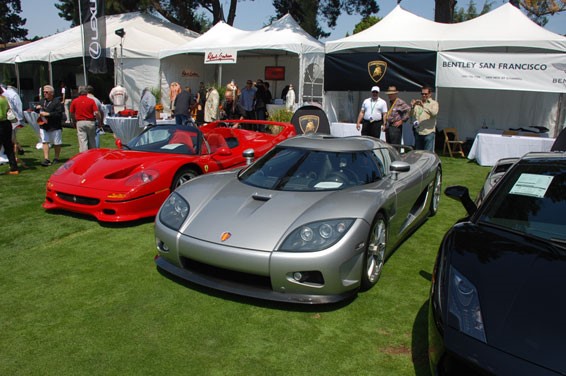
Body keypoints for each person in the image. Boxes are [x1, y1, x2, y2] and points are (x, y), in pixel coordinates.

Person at [36, 85, 64, 166]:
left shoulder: (57, 102)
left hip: (55, 125)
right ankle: (46, 158)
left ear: (52, 93)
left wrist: (48, 114)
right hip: (44, 125)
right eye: (44, 92)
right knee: (45, 141)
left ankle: (56, 157)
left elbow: (59, 114)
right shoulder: (42, 101)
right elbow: (38, 109)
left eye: (46, 92)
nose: (45, 93)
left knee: (57, 142)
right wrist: (37, 108)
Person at [70, 86, 101, 152]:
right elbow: (96, 112)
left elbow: (72, 113)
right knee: (92, 140)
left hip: (80, 121)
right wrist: (99, 121)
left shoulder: (75, 101)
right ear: (86, 92)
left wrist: (74, 121)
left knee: (82, 141)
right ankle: (93, 154)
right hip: (90, 121)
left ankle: (84, 155)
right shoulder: (91, 101)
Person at [411, 86, 439, 152]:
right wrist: (412, 106)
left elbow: (434, 113)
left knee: (427, 154)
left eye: (425, 94)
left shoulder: (434, 103)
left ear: (430, 94)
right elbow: (411, 115)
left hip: (428, 132)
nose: (424, 95)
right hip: (419, 131)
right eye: (422, 94)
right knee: (418, 153)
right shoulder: (418, 103)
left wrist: (423, 106)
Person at [0, 86, 18, 174]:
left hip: (1, 124)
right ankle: (14, 168)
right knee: (8, 146)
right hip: (7, 124)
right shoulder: (4, 98)